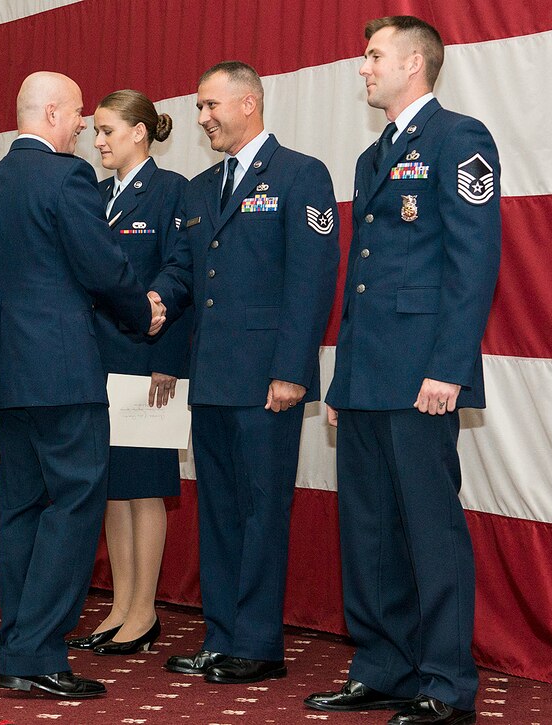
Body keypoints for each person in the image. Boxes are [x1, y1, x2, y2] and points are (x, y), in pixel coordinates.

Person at [303, 16, 501, 725]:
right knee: (369, 529)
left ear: (414, 63)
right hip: (366, 377)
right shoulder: (370, 157)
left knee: (429, 529)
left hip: (423, 375)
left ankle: (446, 682)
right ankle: (383, 664)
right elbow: (361, 276)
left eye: (373, 55)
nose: (363, 67)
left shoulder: (459, 140)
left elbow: (472, 263)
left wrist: (448, 366)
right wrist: (341, 377)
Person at [0, 71, 165, 699]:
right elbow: (102, 264)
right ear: (50, 112)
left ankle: (18, 642)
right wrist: (141, 311)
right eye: (76, 114)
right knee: (74, 506)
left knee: (19, 509)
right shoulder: (68, 178)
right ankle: (38, 653)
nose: (80, 126)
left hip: (4, 375)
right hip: (62, 371)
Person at [150, 61, 339, 685]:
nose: (201, 118)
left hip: (266, 382)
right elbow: (183, 274)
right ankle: (222, 636)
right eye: (199, 108)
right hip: (212, 379)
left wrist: (292, 372)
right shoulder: (201, 188)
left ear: (249, 103)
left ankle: (257, 645)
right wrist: (151, 300)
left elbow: (311, 282)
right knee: (221, 511)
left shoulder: (300, 175)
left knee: (262, 511)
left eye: (210, 106)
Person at [65, 90, 190, 657]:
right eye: (94, 131)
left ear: (140, 133)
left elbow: (182, 269)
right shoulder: (91, 195)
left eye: (108, 131)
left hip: (148, 358)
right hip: (95, 363)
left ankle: (144, 612)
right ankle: (119, 604)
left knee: (146, 491)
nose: (97, 142)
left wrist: (165, 354)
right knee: (113, 490)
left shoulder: (171, 192)